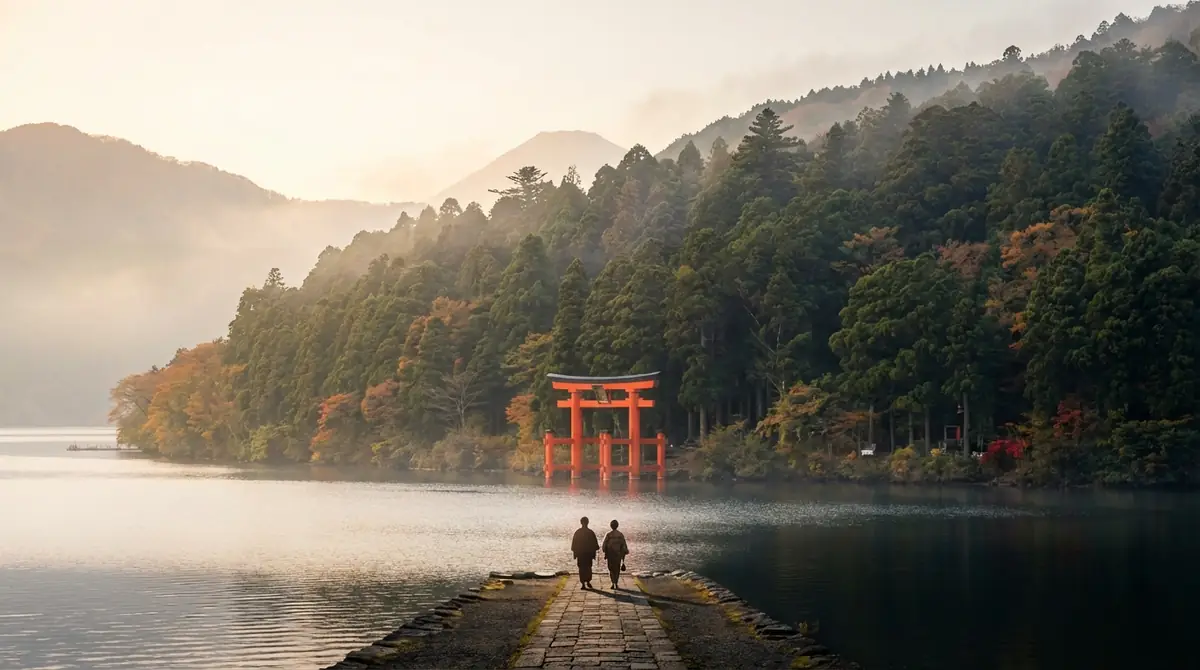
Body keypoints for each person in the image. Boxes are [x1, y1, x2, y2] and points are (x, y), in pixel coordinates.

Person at [571, 516, 599, 589]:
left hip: (580, 554)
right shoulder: (590, 532)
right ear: (588, 523)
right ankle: (588, 581)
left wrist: (575, 554)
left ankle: (583, 583)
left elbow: (574, 544)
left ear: (581, 523)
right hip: (588, 554)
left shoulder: (578, 532)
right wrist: (594, 552)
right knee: (588, 567)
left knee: (581, 568)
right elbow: (595, 544)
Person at [601, 519, 629, 590]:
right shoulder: (620, 535)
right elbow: (624, 545)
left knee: (611, 569)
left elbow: (604, 545)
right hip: (618, 554)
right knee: (617, 569)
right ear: (617, 526)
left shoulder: (608, 535)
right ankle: (616, 582)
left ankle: (613, 582)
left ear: (611, 526)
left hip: (610, 554)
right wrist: (625, 552)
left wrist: (604, 551)